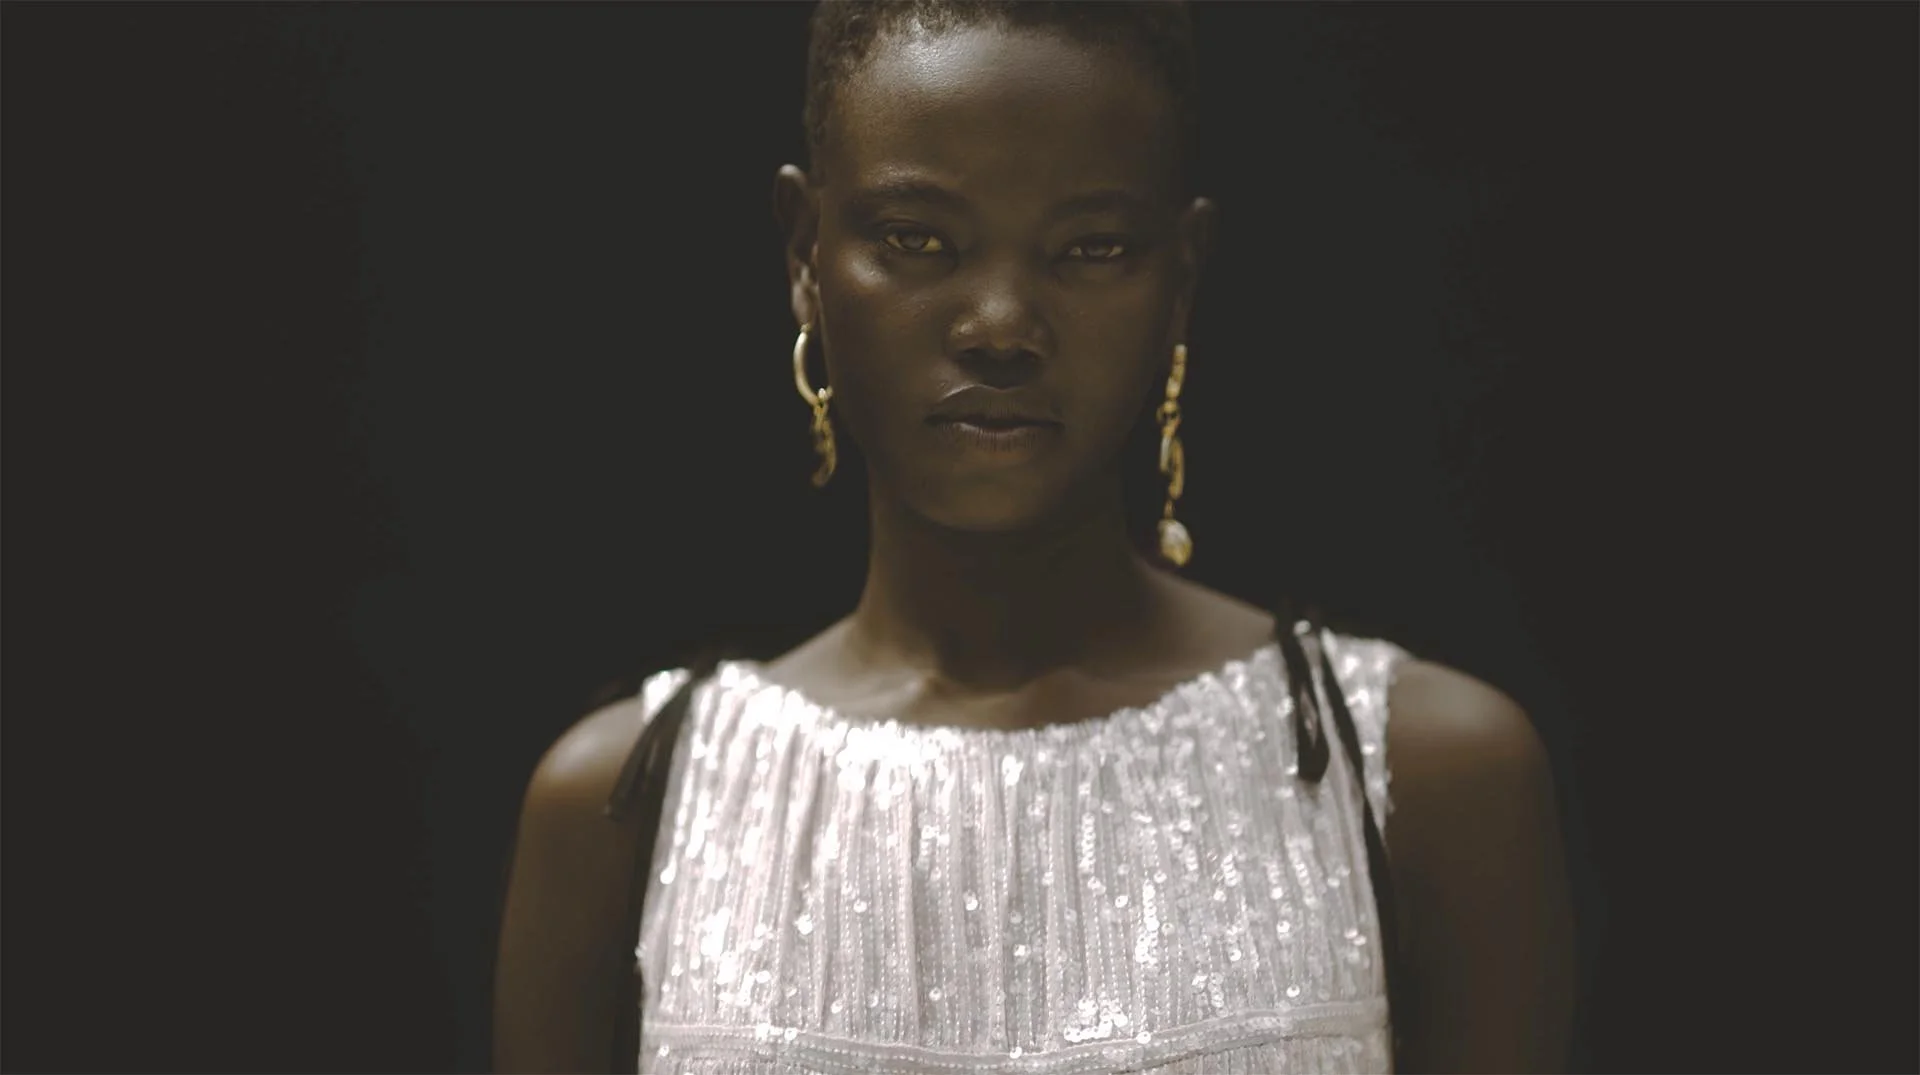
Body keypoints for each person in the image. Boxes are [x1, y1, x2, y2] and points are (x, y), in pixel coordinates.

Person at [494, 2, 1575, 1072]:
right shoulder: (626, 810)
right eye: (917, 240)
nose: (1001, 324)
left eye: (1092, 248)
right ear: (806, 256)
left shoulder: (1419, 777)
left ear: (1182, 278)